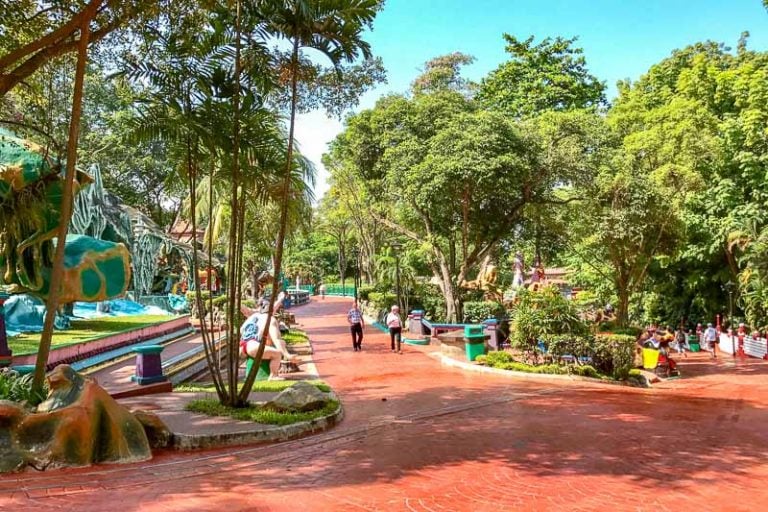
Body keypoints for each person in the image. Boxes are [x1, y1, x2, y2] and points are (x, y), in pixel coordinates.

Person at [239, 310, 294, 380]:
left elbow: (242, 330)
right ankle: (273, 376)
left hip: (242, 347)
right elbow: (277, 340)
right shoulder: (271, 320)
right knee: (277, 354)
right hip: (253, 347)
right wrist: (287, 355)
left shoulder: (253, 317)